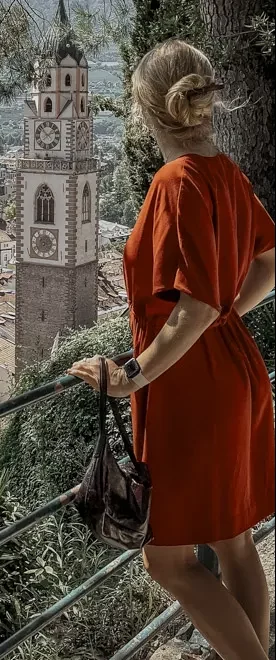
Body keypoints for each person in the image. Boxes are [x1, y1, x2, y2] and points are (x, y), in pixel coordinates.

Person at [68, 39, 275, 660]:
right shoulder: (224, 174)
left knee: (166, 561)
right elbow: (267, 264)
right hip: (233, 369)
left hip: (192, 389)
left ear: (145, 108)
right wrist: (227, 314)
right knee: (235, 540)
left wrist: (130, 374)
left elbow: (194, 307)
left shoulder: (175, 181)